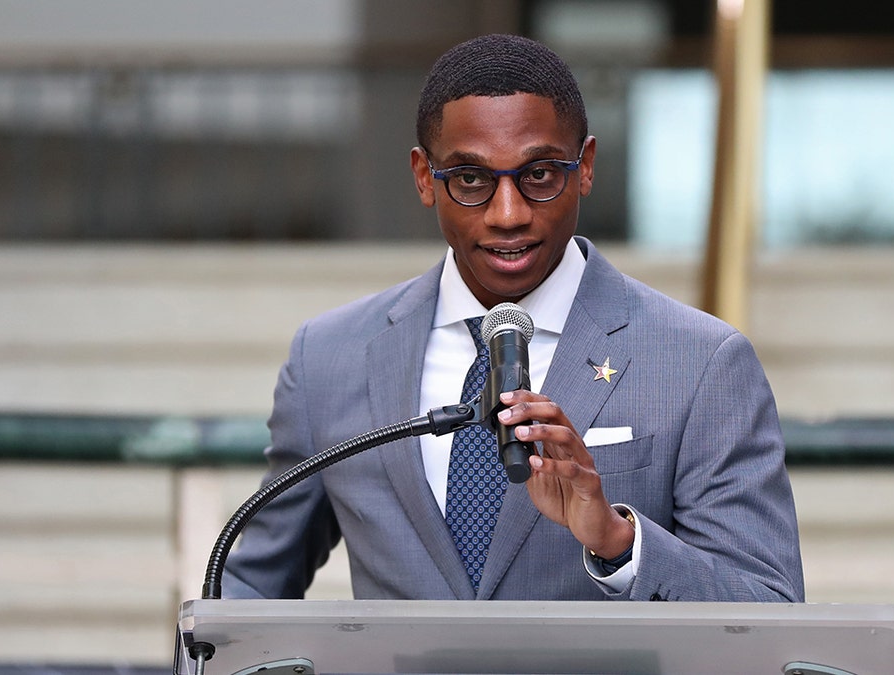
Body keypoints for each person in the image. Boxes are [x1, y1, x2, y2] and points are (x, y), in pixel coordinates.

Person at [223, 33, 803, 603]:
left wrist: (619, 541)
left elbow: (767, 609)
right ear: (426, 178)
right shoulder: (328, 357)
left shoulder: (702, 362)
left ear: (587, 167)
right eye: (471, 179)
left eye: (540, 175)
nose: (508, 214)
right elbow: (251, 589)